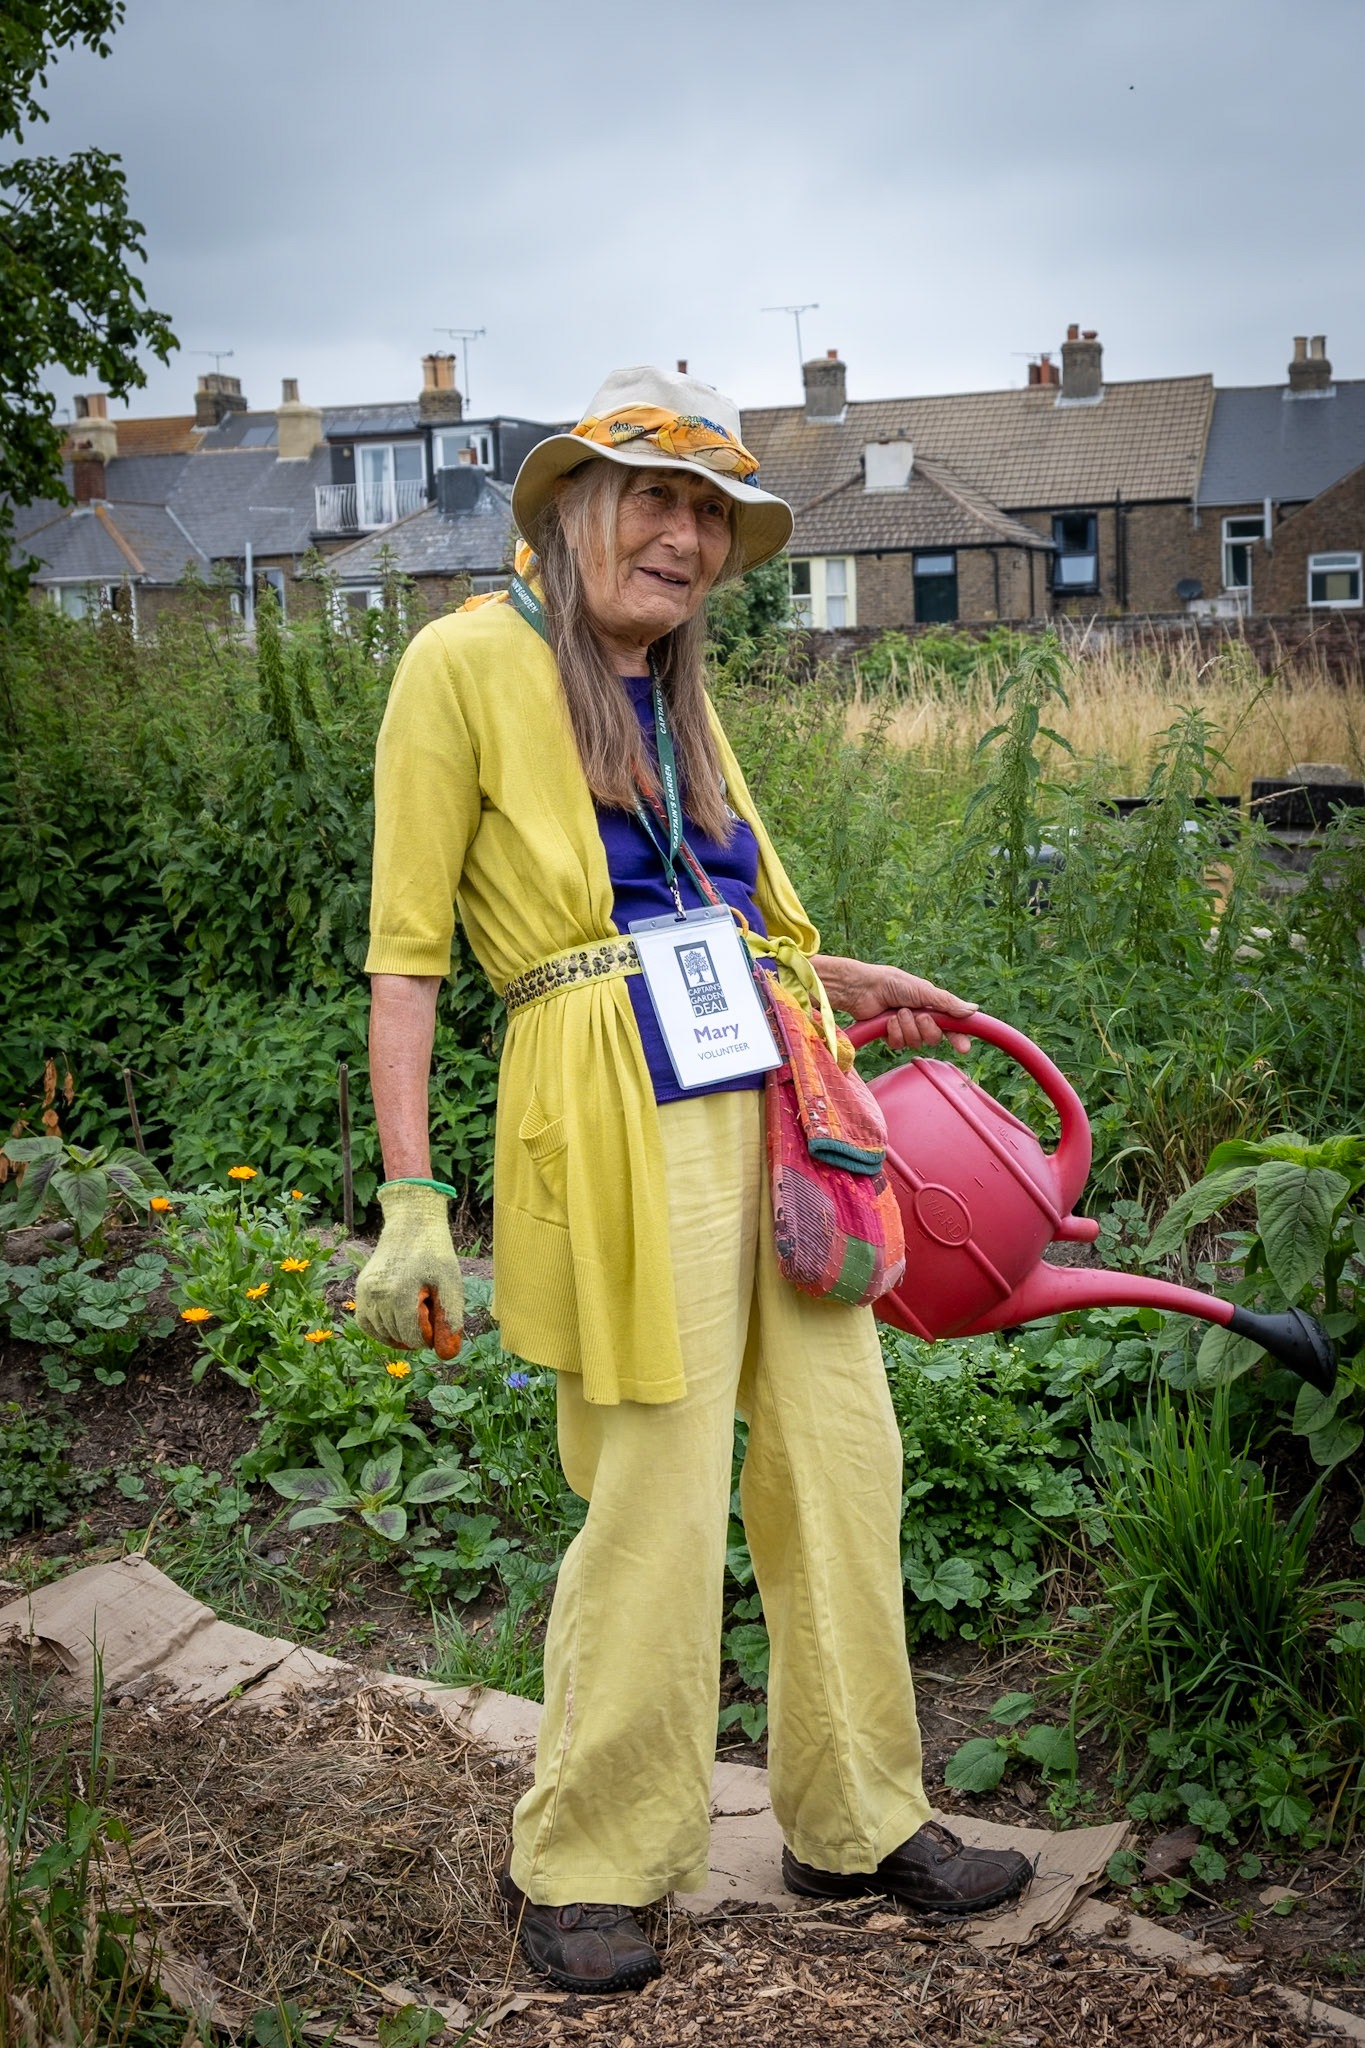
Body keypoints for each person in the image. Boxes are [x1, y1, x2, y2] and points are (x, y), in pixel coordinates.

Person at [356, 365, 1032, 1994]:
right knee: (653, 1493)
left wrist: (839, 977)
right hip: (603, 1109)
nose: (682, 539)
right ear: (576, 509)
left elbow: (709, 915)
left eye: (709, 518)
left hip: (776, 1098)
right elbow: (405, 956)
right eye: (653, 501)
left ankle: (855, 1816)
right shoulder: (459, 662)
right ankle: (593, 1858)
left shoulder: (670, 690)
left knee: (839, 1460)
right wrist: (411, 1196)